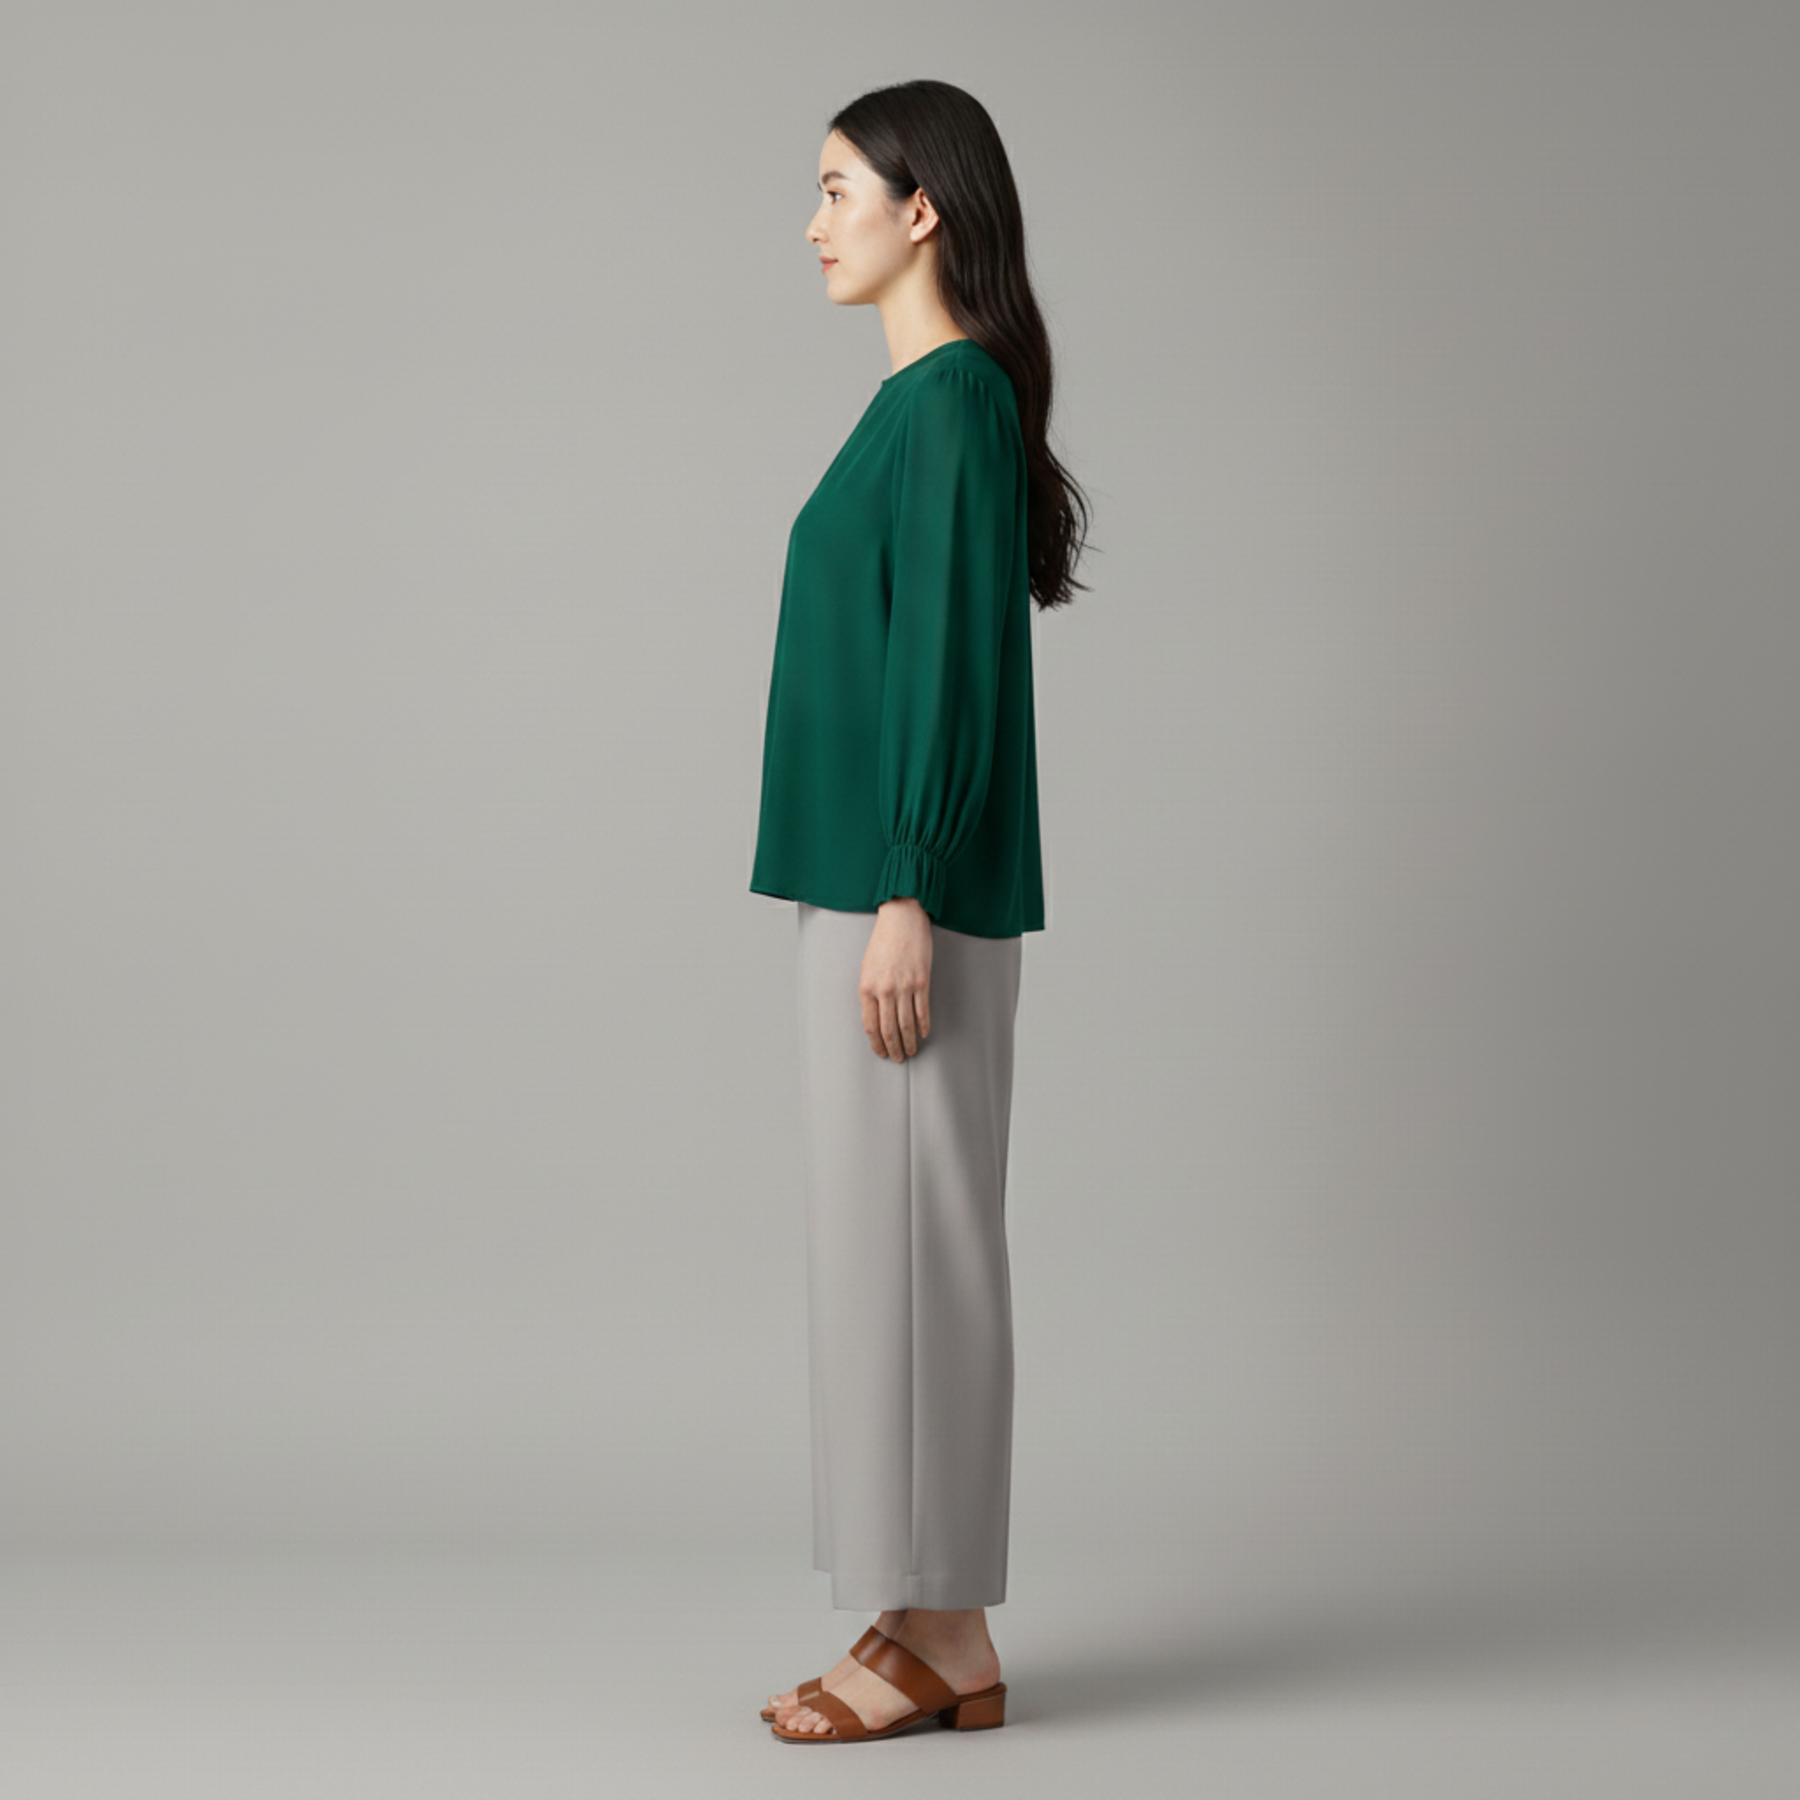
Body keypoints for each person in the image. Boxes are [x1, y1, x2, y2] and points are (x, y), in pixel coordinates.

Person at [747, 78, 1091, 1745]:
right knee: (882, 1252)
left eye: (836, 190)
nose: (814, 223)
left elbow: (950, 663)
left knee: (921, 1254)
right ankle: (919, 1612)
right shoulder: (916, 406)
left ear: (921, 207)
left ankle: (942, 1628)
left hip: (908, 895)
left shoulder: (950, 401)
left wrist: (906, 886)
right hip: (873, 884)